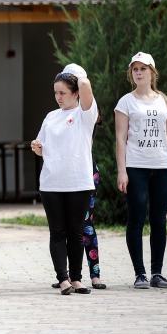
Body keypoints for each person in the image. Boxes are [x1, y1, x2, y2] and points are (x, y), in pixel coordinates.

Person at [32, 64, 97, 295]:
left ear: (75, 93)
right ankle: (63, 279)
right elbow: (41, 147)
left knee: (76, 232)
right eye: (56, 93)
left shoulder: (85, 114)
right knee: (57, 232)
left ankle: (77, 278)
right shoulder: (51, 116)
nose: (58, 97)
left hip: (78, 182)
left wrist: (73, 75)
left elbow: (87, 84)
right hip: (51, 183)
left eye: (63, 92)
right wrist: (37, 147)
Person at [114, 52, 167, 289]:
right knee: (136, 219)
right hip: (136, 167)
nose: (138, 73)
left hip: (162, 166)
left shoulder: (164, 101)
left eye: (143, 68)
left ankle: (157, 273)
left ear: (152, 72)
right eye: (135, 69)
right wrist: (122, 171)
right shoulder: (126, 102)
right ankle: (140, 273)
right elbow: (120, 138)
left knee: (159, 220)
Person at [51, 97, 107, 290]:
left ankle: (94, 275)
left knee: (85, 225)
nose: (59, 96)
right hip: (64, 177)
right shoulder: (59, 115)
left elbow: (97, 118)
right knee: (63, 228)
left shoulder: (87, 110)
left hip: (85, 174)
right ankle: (65, 276)